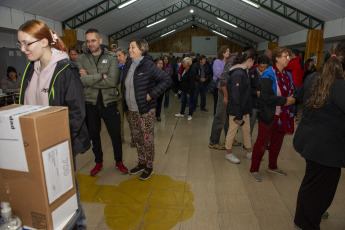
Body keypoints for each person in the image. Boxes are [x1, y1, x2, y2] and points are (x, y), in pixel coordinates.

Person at [17, 19, 90, 230]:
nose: (23, 49)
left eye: (26, 44)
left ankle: (80, 226)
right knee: (47, 192)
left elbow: (76, 115)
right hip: (35, 143)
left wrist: (55, 142)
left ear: (43, 42)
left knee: (67, 193)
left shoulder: (66, 70)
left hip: (59, 144)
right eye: (19, 44)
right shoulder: (31, 69)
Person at [293, 41, 345, 230]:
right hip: (326, 149)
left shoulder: (314, 77)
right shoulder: (339, 86)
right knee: (319, 187)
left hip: (310, 142)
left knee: (314, 183)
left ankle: (313, 212)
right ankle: (305, 222)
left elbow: (300, 98)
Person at [76, 28, 128, 176]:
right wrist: (101, 76)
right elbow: (80, 81)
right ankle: (98, 162)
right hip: (90, 103)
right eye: (88, 41)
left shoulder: (112, 57)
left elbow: (112, 81)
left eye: (93, 40)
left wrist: (89, 78)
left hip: (109, 102)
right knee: (94, 134)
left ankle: (119, 161)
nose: (90, 44)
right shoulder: (81, 59)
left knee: (115, 134)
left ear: (100, 41)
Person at [122, 39, 171, 180]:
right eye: (130, 47)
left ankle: (149, 166)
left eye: (132, 47)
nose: (129, 50)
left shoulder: (148, 65)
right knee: (137, 138)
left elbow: (166, 80)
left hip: (145, 110)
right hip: (131, 110)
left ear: (141, 49)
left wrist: (151, 95)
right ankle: (141, 162)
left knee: (147, 139)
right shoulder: (129, 64)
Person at [250, 46, 295, 182]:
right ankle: (254, 168)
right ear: (276, 58)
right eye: (285, 56)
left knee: (277, 142)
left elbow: (293, 92)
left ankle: (273, 166)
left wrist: (293, 99)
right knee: (262, 143)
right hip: (269, 115)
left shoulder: (287, 75)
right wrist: (285, 101)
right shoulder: (268, 74)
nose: (288, 59)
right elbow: (266, 97)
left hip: (283, 116)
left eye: (288, 56)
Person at [224, 49, 256, 164]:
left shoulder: (243, 72)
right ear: (250, 60)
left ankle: (249, 151)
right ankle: (228, 153)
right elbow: (235, 95)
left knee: (246, 130)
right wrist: (238, 114)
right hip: (236, 109)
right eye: (253, 62)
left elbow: (245, 93)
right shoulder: (238, 73)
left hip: (244, 109)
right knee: (232, 130)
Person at [209, 53, 242, 150]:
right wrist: (226, 96)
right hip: (224, 93)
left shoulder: (238, 64)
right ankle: (214, 141)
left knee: (230, 117)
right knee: (220, 117)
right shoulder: (231, 63)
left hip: (231, 94)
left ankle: (229, 139)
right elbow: (223, 80)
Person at [115, 47, 135, 147]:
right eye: (117, 56)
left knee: (131, 119)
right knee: (119, 120)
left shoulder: (131, 67)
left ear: (126, 56)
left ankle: (134, 139)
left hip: (128, 98)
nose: (118, 58)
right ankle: (120, 138)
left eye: (120, 55)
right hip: (118, 98)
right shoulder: (115, 68)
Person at [249, 55, 270, 135]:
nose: (263, 69)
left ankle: (261, 142)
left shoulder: (269, 73)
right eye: (261, 67)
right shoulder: (251, 73)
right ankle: (248, 142)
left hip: (264, 103)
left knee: (263, 124)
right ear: (257, 64)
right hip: (253, 103)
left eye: (265, 67)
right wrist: (256, 92)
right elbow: (247, 89)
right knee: (251, 122)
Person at [285, 49, 304, 121]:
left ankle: (291, 116)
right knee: (296, 100)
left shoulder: (295, 62)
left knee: (292, 100)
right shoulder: (301, 62)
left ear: (293, 55)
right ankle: (295, 115)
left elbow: (285, 66)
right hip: (300, 84)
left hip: (294, 84)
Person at [212, 46, 230, 115]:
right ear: (223, 53)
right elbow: (217, 74)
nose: (229, 52)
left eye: (229, 51)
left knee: (225, 104)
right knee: (218, 103)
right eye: (227, 51)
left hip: (227, 86)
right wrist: (227, 74)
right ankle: (217, 117)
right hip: (218, 86)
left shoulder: (228, 62)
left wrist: (224, 72)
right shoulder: (217, 61)